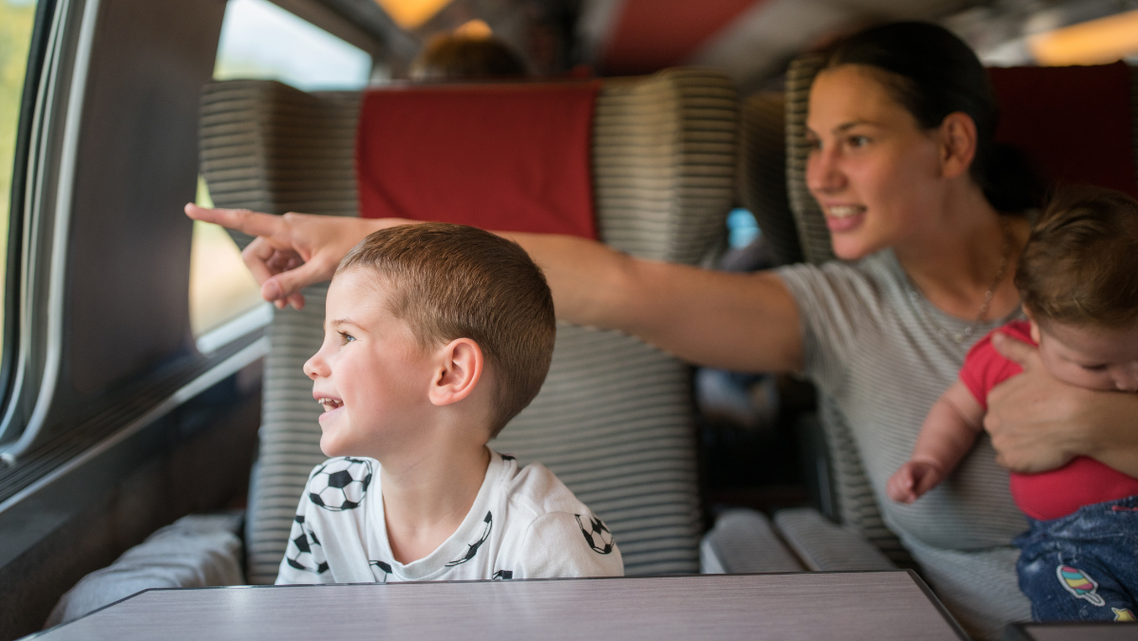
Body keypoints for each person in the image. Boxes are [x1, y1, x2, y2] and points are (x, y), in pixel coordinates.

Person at [186, 21, 1138, 639]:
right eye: (810, 146)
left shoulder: (1117, 266)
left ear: (953, 144)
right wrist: (360, 237)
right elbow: (615, 281)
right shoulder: (832, 311)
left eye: (857, 141)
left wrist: (1103, 428)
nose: (818, 177)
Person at [274, 223, 623, 585]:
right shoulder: (329, 497)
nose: (312, 364)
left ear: (450, 373)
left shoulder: (548, 541)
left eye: (346, 336)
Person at [887, 187, 1138, 622]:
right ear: (1035, 325)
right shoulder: (1003, 354)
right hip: (1070, 547)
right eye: (1096, 365)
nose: (1128, 378)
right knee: (1081, 609)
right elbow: (957, 410)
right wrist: (929, 458)